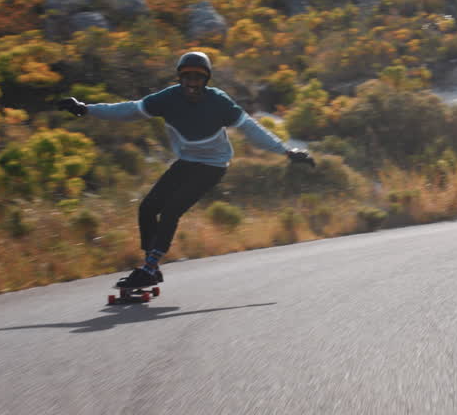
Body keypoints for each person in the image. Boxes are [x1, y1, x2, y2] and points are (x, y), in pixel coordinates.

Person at [57, 51, 314, 288]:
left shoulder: (219, 102)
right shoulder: (168, 98)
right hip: (187, 161)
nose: (192, 83)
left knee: (170, 212)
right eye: (187, 77)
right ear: (180, 78)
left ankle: (148, 268)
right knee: (147, 208)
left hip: (213, 166)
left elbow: (251, 130)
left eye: (198, 78)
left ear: (206, 79)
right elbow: (129, 110)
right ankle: (151, 267)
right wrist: (86, 109)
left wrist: (287, 151)